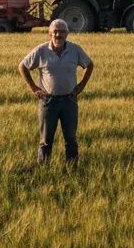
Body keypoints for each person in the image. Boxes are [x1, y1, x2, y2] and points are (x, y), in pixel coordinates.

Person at [18, 19, 94, 165]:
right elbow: (23, 66)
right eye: (55, 32)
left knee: (71, 139)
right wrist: (34, 88)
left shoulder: (75, 49)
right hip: (48, 102)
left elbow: (89, 65)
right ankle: (44, 170)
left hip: (69, 101)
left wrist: (81, 86)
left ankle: (72, 169)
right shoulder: (41, 51)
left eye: (62, 32)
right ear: (49, 34)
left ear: (67, 34)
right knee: (46, 140)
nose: (58, 35)